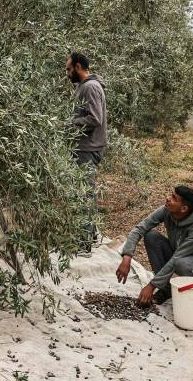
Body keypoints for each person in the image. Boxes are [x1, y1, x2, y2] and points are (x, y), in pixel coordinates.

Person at [116, 185, 193, 307]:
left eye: (174, 198)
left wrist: (152, 285)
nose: (167, 198)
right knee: (151, 237)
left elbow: (177, 257)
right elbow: (140, 229)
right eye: (171, 194)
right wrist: (127, 256)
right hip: (180, 255)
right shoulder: (167, 210)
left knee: (181, 263)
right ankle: (166, 290)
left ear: (183, 208)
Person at [67, 51, 107, 250]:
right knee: (84, 193)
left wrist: (70, 123)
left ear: (78, 67)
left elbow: (95, 119)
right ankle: (87, 238)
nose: (67, 73)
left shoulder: (90, 87)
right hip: (85, 147)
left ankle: (84, 243)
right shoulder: (86, 86)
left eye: (69, 69)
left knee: (84, 194)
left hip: (88, 148)